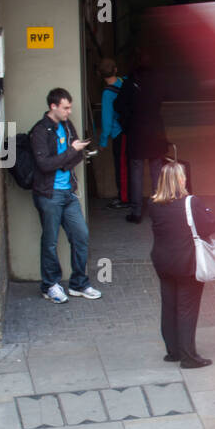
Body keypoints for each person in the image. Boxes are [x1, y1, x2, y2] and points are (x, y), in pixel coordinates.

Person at [29, 89, 102, 303]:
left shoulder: (67, 126)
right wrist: (69, 153)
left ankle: (79, 284)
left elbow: (77, 155)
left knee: (81, 236)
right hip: (49, 194)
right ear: (53, 107)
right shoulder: (40, 131)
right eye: (66, 108)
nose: (69, 112)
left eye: (70, 107)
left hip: (68, 193)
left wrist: (67, 156)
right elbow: (44, 165)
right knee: (50, 241)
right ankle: (50, 285)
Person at [149, 159, 215, 368]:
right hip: (187, 262)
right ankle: (189, 357)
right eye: (184, 176)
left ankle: (173, 351)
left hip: (163, 261)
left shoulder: (154, 204)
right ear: (180, 179)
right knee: (187, 308)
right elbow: (211, 226)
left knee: (169, 305)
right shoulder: (191, 202)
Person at [115, 57, 169, 223]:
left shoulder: (130, 83)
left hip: (136, 133)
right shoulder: (157, 83)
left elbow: (118, 105)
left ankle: (136, 212)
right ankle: (158, 210)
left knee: (136, 172)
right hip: (155, 132)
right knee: (156, 171)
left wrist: (127, 121)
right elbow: (162, 100)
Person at [97, 58, 128, 207]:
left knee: (121, 166)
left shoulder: (107, 93)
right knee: (130, 165)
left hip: (118, 133)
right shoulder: (125, 82)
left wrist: (102, 142)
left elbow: (107, 121)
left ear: (100, 74)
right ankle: (129, 195)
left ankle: (124, 198)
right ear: (115, 69)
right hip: (132, 131)